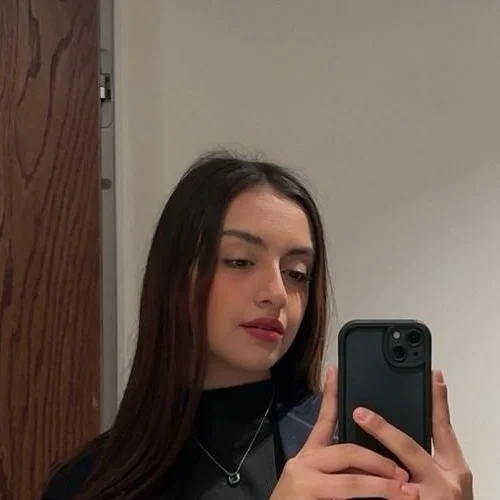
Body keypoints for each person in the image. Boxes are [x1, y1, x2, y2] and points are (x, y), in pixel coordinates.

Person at [41, 152, 473, 499]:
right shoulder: (87, 481)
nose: (277, 293)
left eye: (297, 273)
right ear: (176, 276)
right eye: (239, 261)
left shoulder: (351, 458)